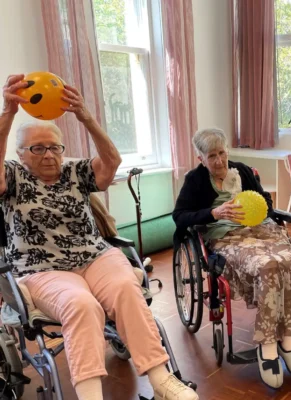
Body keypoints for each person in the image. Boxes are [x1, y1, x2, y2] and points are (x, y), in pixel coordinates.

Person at [0, 74, 198, 400]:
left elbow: (111, 164)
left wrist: (86, 117)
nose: (49, 155)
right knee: (81, 304)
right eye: (37, 148)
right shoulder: (13, 175)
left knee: (124, 289)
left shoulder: (74, 170)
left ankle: (161, 380)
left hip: (95, 256)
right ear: (21, 153)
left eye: (54, 147)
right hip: (43, 270)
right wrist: (7, 112)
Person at [173, 128, 291, 389]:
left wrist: (254, 208)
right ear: (200, 157)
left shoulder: (242, 171)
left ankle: (289, 337)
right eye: (211, 155)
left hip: (261, 229)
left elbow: (266, 203)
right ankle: (268, 345)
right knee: (266, 264)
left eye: (222, 153)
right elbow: (179, 216)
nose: (218, 161)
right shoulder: (195, 180)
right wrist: (214, 212)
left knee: (288, 257)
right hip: (226, 236)